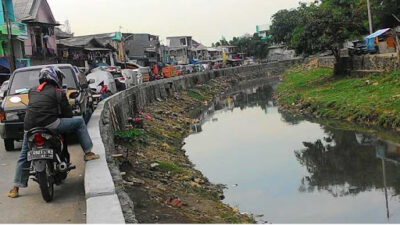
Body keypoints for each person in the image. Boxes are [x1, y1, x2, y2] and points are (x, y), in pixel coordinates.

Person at [8, 66, 99, 198]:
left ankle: (15, 188)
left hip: (29, 127)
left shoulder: (32, 91)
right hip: (50, 125)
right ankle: (88, 153)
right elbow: (67, 114)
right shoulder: (59, 92)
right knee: (79, 121)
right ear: (55, 78)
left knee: (23, 155)